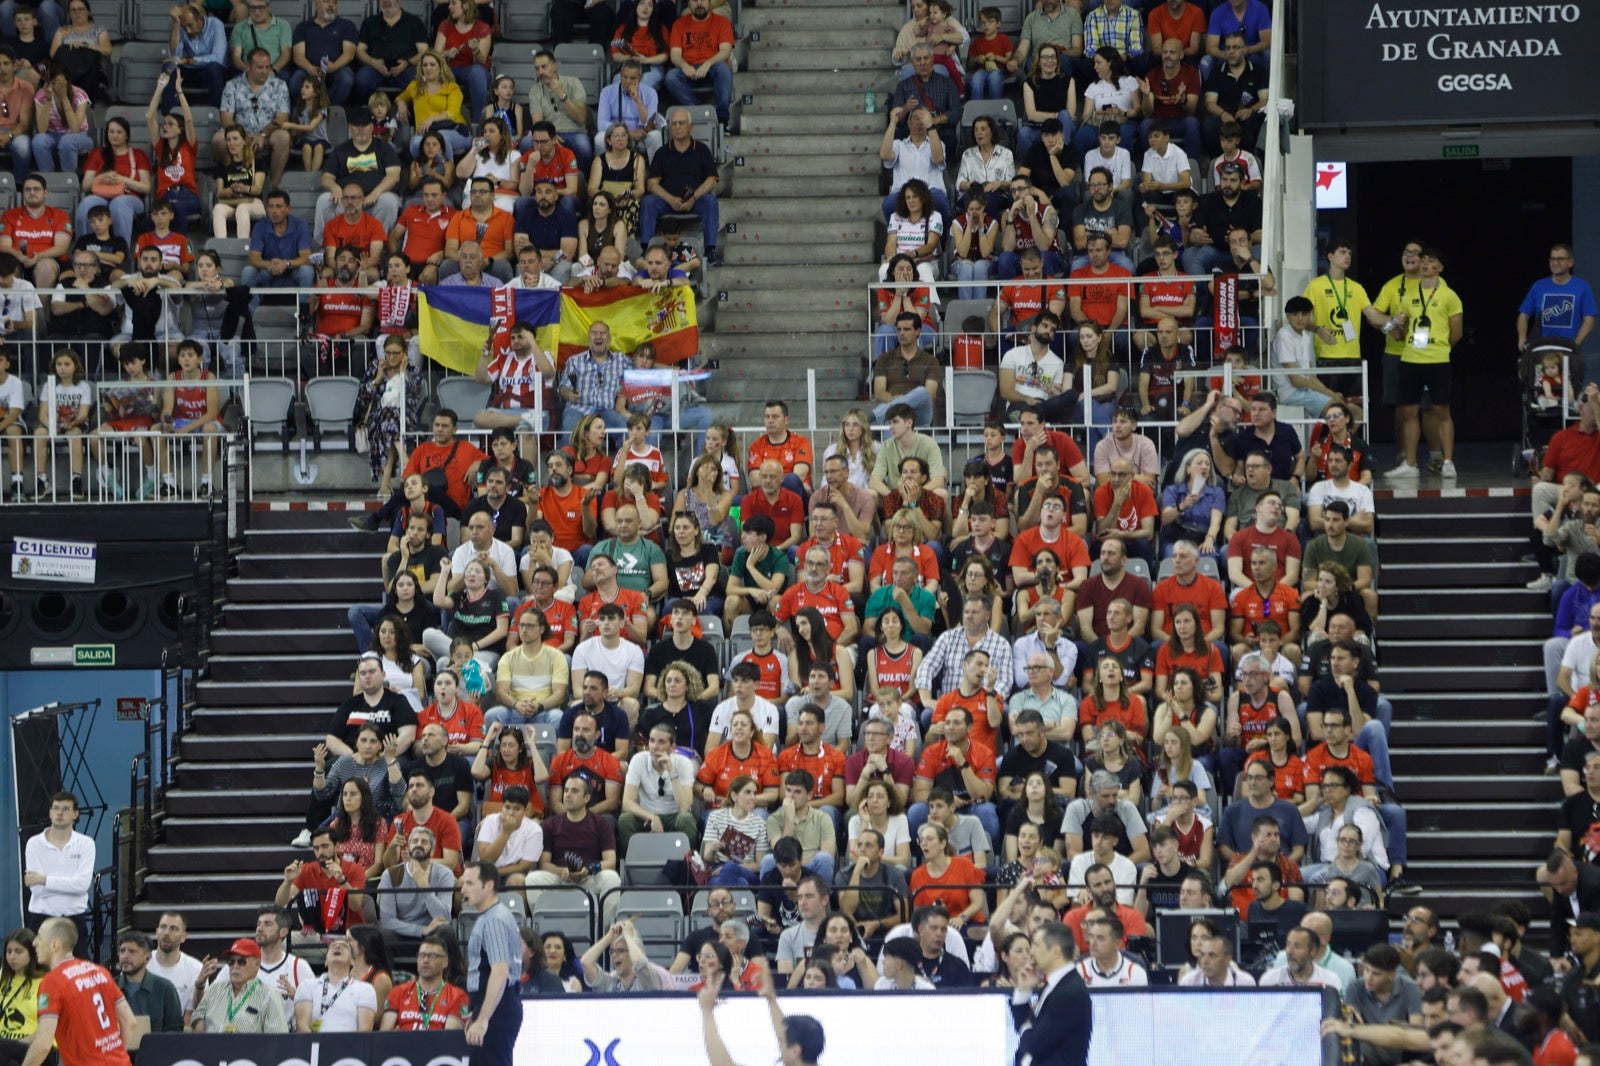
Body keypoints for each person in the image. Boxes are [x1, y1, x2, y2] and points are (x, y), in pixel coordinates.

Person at [20, 918, 133, 1066]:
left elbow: (43, 1044)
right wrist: (116, 1056)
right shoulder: (100, 971)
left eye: (40, 937)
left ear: (55, 945)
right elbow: (130, 1022)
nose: (34, 942)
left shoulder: (52, 982)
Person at [460, 862, 523, 1065]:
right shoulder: (492, 916)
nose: (463, 889)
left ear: (488, 885)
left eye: (470, 883)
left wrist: (484, 1018)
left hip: (499, 1005)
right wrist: (479, 1011)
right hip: (496, 1003)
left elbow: (500, 971)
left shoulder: (494, 920)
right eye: (463, 883)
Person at [23, 792, 93, 941]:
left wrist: (44, 879)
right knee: (37, 964)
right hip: (41, 920)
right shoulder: (34, 843)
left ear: (75, 814)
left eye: (66, 809)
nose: (60, 813)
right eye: (56, 808)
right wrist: (69, 885)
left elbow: (82, 885)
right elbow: (36, 889)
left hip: (74, 920)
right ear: (50, 813)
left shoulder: (86, 844)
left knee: (79, 964)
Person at [189, 935, 289, 1034]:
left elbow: (278, 1038)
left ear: (257, 964)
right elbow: (197, 1015)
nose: (235, 966)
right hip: (213, 1047)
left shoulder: (269, 996)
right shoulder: (215, 989)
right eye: (231, 962)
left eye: (241, 961)